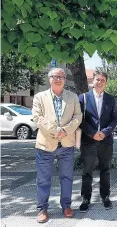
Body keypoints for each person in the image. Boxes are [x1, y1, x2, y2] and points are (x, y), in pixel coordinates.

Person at [32, 68, 82, 223]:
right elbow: (36, 117)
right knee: (43, 179)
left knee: (67, 177)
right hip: (45, 145)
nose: (58, 79)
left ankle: (66, 206)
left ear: (65, 79)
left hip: (67, 144)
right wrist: (56, 130)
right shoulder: (40, 97)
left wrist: (66, 130)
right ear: (49, 79)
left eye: (61, 77)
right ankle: (42, 209)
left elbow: (78, 116)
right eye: (55, 76)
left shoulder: (72, 97)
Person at [78, 70, 117, 213]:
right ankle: (86, 199)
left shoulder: (110, 99)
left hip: (106, 141)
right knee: (87, 171)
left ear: (106, 83)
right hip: (88, 141)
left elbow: (115, 119)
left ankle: (105, 197)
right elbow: (79, 119)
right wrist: (92, 133)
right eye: (97, 79)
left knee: (105, 170)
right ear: (92, 81)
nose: (99, 82)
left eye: (102, 80)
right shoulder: (83, 98)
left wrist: (105, 132)